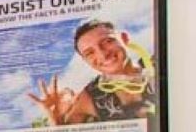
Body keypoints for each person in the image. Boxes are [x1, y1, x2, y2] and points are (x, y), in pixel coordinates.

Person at [27, 19, 156, 125]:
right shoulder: (90, 96)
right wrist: (54, 118)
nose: (103, 54)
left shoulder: (158, 64)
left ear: (124, 38)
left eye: (107, 41)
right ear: (85, 60)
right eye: (89, 53)